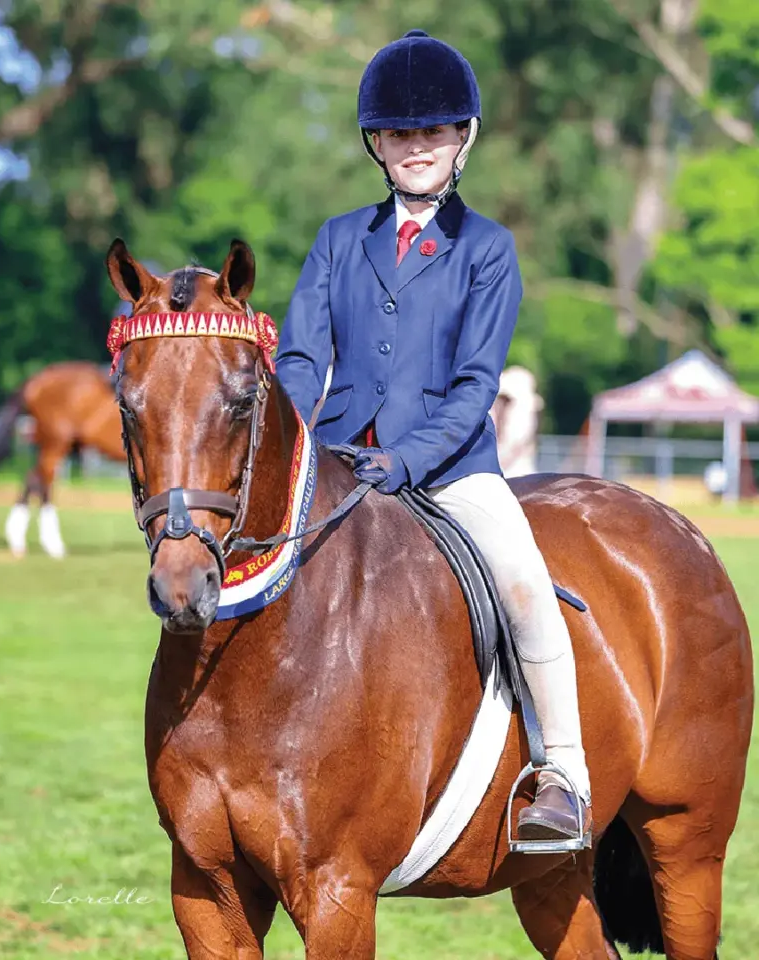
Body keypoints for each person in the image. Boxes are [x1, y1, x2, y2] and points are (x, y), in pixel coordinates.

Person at [275, 30, 591, 842]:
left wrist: (407, 458)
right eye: (401, 134)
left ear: (464, 139)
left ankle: (563, 775)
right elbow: (302, 357)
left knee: (524, 584)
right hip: (339, 456)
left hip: (448, 465)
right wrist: (301, 445)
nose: (417, 148)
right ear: (376, 144)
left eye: (434, 132)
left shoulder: (487, 248)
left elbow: (477, 386)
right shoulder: (338, 239)